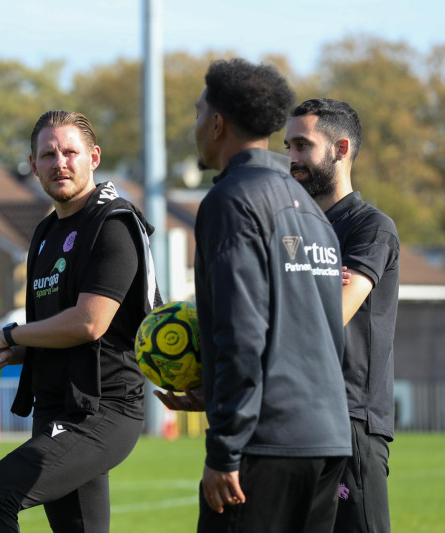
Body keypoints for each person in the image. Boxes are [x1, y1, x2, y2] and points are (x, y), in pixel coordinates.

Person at [159, 58, 352, 532]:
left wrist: (226, 447)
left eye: (199, 112)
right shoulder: (309, 208)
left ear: (217, 124)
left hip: (265, 445)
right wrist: (217, 395)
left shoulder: (231, 201)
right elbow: (315, 336)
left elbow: (242, 330)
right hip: (327, 440)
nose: (195, 126)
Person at [0, 110, 161, 532]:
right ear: (33, 165)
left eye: (70, 152)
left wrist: (6, 335)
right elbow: (57, 332)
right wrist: (14, 351)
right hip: (54, 406)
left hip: (102, 410)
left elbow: (89, 324)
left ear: (94, 157)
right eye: (48, 155)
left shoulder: (113, 224)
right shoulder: (45, 233)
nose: (60, 163)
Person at [285, 98, 400, 533]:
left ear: (341, 148)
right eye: (288, 146)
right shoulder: (289, 230)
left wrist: (290, 288)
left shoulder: (371, 227)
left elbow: (332, 316)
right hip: (288, 418)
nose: (292, 157)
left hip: (348, 418)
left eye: (302, 145)